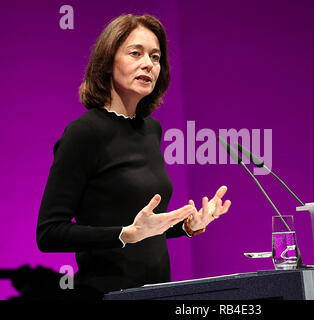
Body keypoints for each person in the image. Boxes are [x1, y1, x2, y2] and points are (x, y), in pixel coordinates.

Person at [36, 13, 231, 295]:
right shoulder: (84, 133)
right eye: (135, 53)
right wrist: (125, 234)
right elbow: (49, 233)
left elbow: (146, 227)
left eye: (155, 57)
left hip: (159, 292)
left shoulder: (151, 130)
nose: (148, 64)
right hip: (105, 294)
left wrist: (188, 225)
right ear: (107, 63)